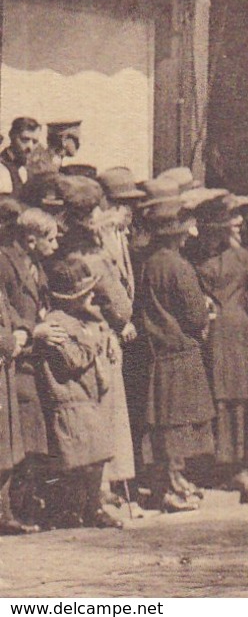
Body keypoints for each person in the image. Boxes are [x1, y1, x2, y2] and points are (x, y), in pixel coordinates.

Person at [133, 197, 215, 512]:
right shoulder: (179, 267)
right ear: (176, 234)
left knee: (163, 423)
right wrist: (206, 313)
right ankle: (167, 487)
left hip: (158, 350)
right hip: (179, 350)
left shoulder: (148, 263)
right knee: (177, 425)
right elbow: (195, 316)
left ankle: (171, 481)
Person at [191, 195, 248, 495]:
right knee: (228, 398)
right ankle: (229, 465)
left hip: (224, 332)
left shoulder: (201, 256)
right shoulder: (240, 257)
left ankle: (230, 466)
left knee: (229, 398)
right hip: (232, 330)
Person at [36, 257, 122, 529]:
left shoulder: (77, 319)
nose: (92, 296)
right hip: (69, 399)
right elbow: (71, 359)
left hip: (84, 398)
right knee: (78, 459)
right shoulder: (57, 322)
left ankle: (90, 505)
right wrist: (93, 340)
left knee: (95, 455)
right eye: (86, 293)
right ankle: (77, 508)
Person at [1, 209, 58, 525]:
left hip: (29, 355)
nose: (55, 245)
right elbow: (5, 307)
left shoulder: (35, 264)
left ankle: (21, 504)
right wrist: (27, 330)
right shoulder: (5, 263)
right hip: (15, 357)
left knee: (26, 433)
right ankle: (9, 508)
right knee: (14, 434)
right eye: (49, 238)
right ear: (29, 238)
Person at [0, 207, 39, 535]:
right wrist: (8, 339)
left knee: (7, 441)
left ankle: (6, 512)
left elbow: (8, 308)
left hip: (9, 359)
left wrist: (22, 329)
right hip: (5, 355)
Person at [0, 118, 45, 195]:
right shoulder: (2, 169)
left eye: (35, 142)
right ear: (12, 136)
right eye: (25, 139)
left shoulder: (25, 169)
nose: (30, 147)